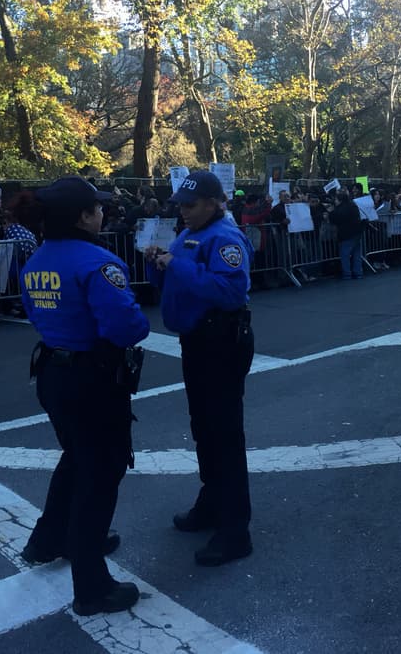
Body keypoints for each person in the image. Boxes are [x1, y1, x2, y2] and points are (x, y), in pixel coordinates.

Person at [17, 176, 149, 616]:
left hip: (54, 373)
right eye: (97, 207)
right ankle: (92, 586)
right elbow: (126, 327)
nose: (103, 212)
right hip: (93, 378)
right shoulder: (98, 262)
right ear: (82, 216)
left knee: (76, 458)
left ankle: (49, 538)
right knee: (101, 475)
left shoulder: (37, 260)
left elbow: (34, 312)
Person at [144, 170, 255, 567]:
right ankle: (211, 502)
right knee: (204, 428)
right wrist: (158, 265)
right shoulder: (191, 233)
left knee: (223, 434)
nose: (183, 212)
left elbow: (230, 291)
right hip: (197, 340)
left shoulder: (225, 238)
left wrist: (177, 265)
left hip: (220, 340)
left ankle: (235, 529)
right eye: (180, 205)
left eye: (190, 205)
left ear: (213, 202)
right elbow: (176, 284)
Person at [328, 187, 364, 280]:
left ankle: (347, 273)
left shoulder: (340, 209)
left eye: (336, 200)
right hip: (357, 232)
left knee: (345, 255)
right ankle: (358, 272)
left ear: (340, 200)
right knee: (356, 253)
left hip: (346, 234)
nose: (335, 201)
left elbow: (335, 220)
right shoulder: (353, 205)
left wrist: (331, 212)